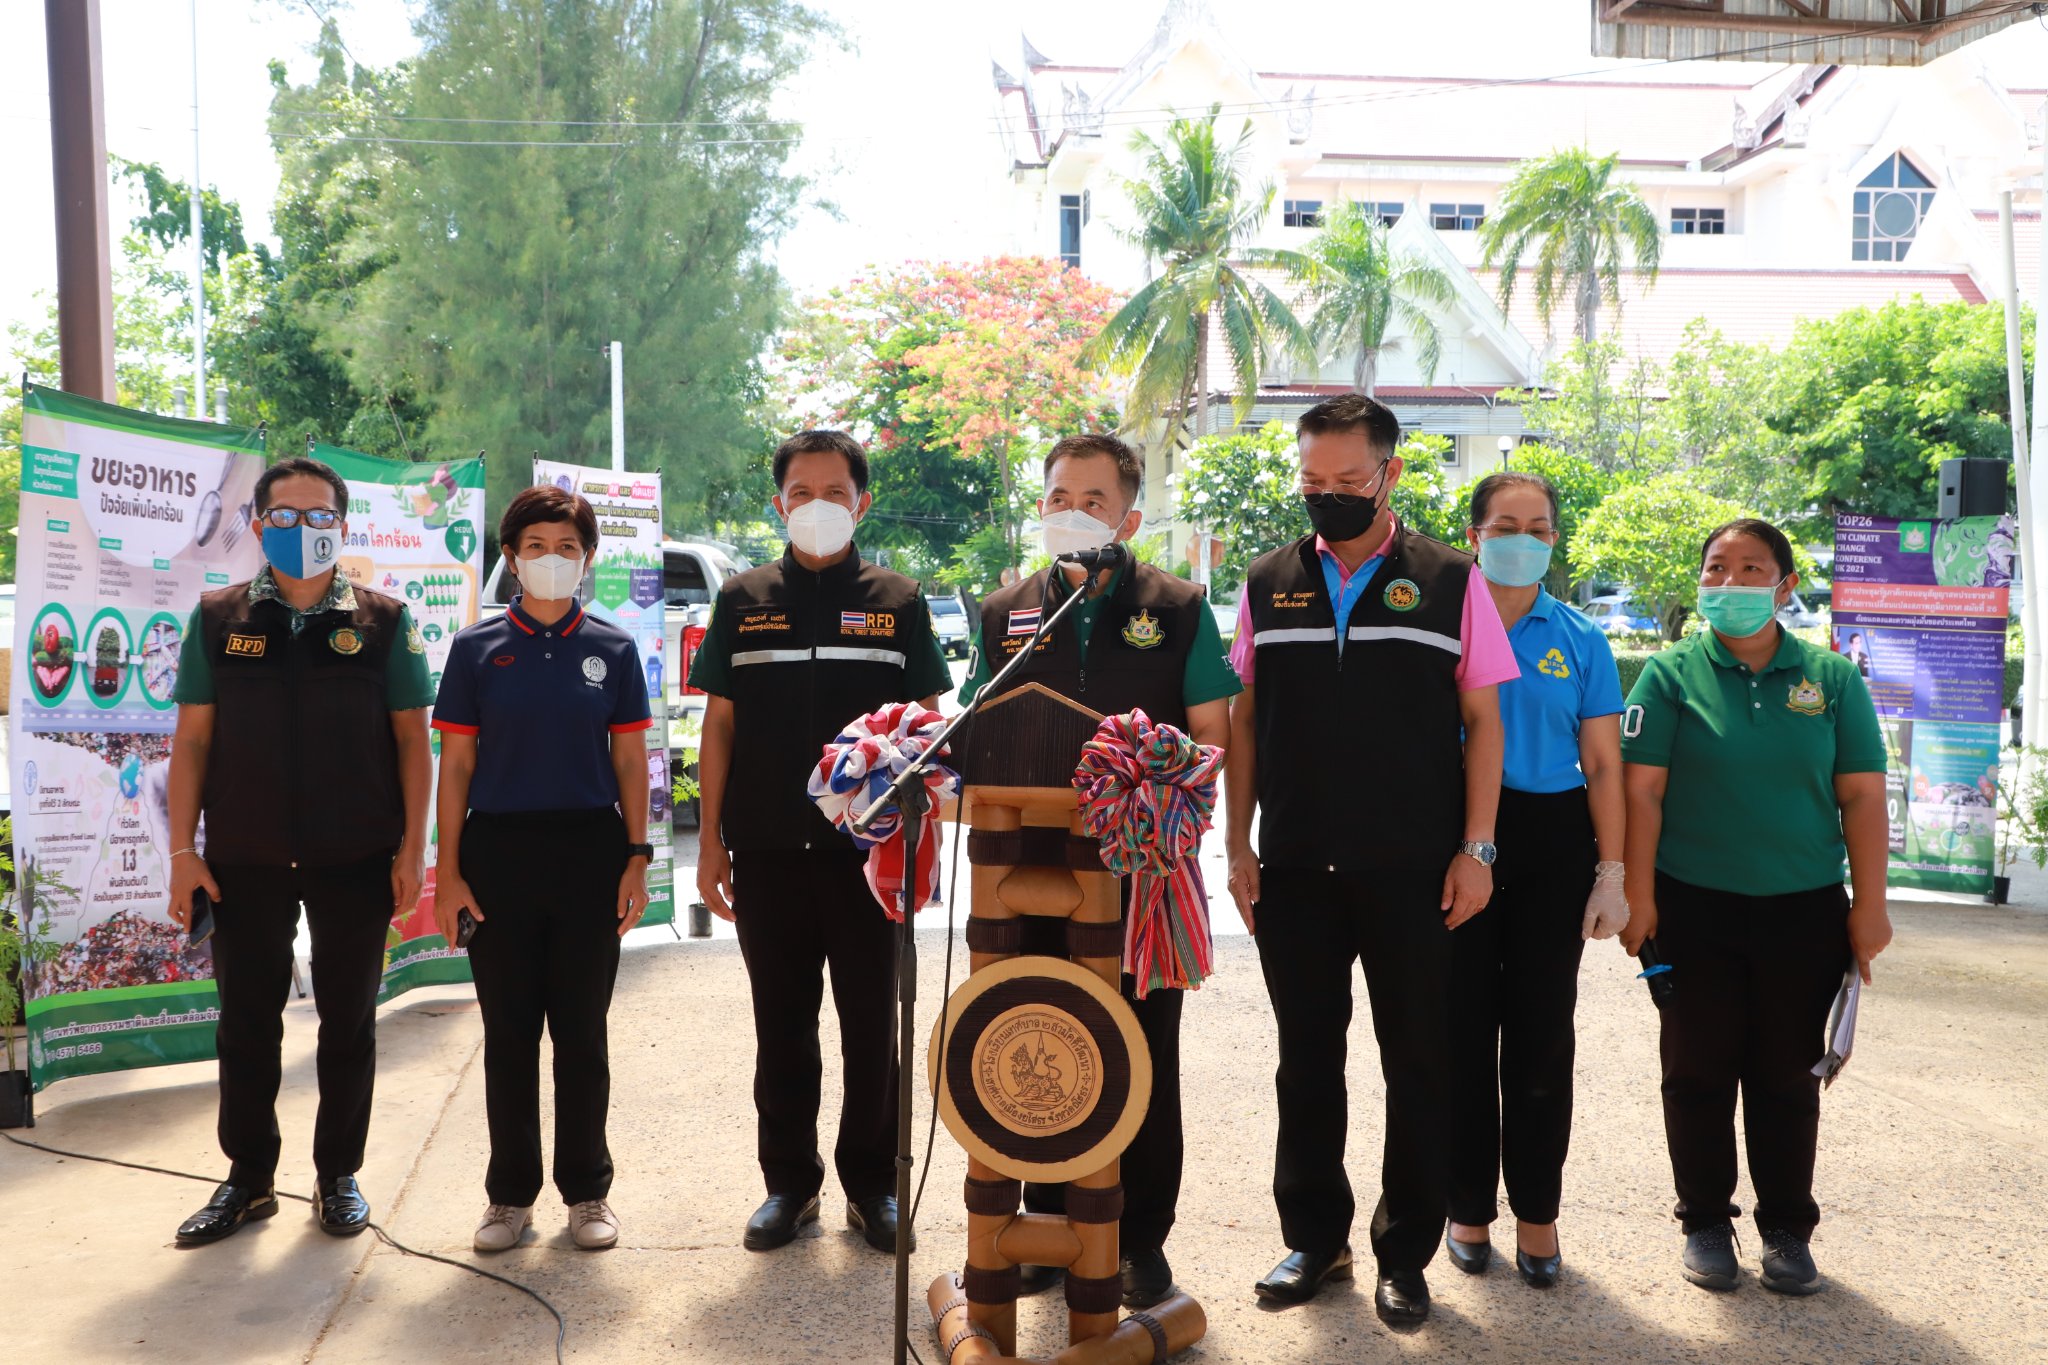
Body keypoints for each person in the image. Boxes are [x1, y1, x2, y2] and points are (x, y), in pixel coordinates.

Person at [1223, 393, 1517, 1325]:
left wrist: (1477, 849)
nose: (1329, 496)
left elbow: (1483, 723)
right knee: (1306, 1059)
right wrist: (1236, 843)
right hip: (1298, 867)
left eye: (1349, 481)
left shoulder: (1450, 577)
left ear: (1390, 474)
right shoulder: (1268, 581)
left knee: (1418, 1060)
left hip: (1416, 870)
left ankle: (1406, 1253)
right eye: (1313, 480)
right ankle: (1315, 1238)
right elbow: (1241, 721)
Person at [958, 432, 1241, 1309]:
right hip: (1020, 870)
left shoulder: (1181, 605)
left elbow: (1210, 743)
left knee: (1137, 1054)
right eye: (1055, 496)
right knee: (1033, 1035)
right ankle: (1043, 1218)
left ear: (1130, 513)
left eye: (1090, 498)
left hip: (1139, 873)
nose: (1069, 511)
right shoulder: (1003, 607)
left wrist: (1159, 779)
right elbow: (972, 726)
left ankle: (1138, 1236)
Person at [689, 430, 951, 1254]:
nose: (817, 505)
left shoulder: (899, 599)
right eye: (800, 492)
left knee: (872, 1023)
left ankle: (872, 1184)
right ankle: (788, 1184)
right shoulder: (741, 597)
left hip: (867, 859)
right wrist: (709, 843)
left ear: (861, 501)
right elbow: (720, 725)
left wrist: (918, 840)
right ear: (779, 503)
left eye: (834, 491)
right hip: (766, 850)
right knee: (783, 1026)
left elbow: (925, 730)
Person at [165, 456, 435, 1245]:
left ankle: (337, 1174)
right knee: (247, 1021)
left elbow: (413, 745)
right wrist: (184, 850)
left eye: (320, 517)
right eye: (284, 516)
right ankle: (249, 1178)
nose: (303, 530)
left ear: (342, 528)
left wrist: (412, 847)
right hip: (244, 856)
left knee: (348, 1019)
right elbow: (192, 743)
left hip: (356, 854)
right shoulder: (217, 618)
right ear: (257, 525)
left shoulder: (384, 621)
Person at [1620, 517, 1892, 1296]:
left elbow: (1863, 797)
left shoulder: (1832, 681)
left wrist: (1870, 906)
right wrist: (1638, 896)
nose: (1731, 583)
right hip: (1690, 908)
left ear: (1785, 585)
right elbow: (1643, 791)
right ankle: (1705, 1220)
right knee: (1696, 1069)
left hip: (1803, 910)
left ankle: (1786, 1229)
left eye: (1751, 569)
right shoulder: (1669, 676)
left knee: (1787, 1075)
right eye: (1717, 568)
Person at [431, 485, 655, 1253]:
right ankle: (508, 1196)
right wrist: (448, 871)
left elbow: (630, 759)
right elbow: (455, 765)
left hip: (592, 852)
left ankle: (588, 1192)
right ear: (511, 557)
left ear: (586, 557)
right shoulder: (477, 650)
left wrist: (636, 857)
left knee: (582, 1034)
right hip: (498, 854)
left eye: (567, 547)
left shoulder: (614, 649)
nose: (551, 560)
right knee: (510, 1034)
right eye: (535, 547)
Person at [1442, 472, 1627, 1288]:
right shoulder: (1439, 621)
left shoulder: (1580, 636)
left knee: (1543, 1032)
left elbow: (1602, 763)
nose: (1526, 537)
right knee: (1461, 1029)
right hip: (1460, 836)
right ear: (1475, 534)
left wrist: (1610, 872)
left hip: (1555, 840)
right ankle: (1466, 1207)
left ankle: (1539, 1214)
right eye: (1507, 523)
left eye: (1541, 526)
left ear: (1555, 539)